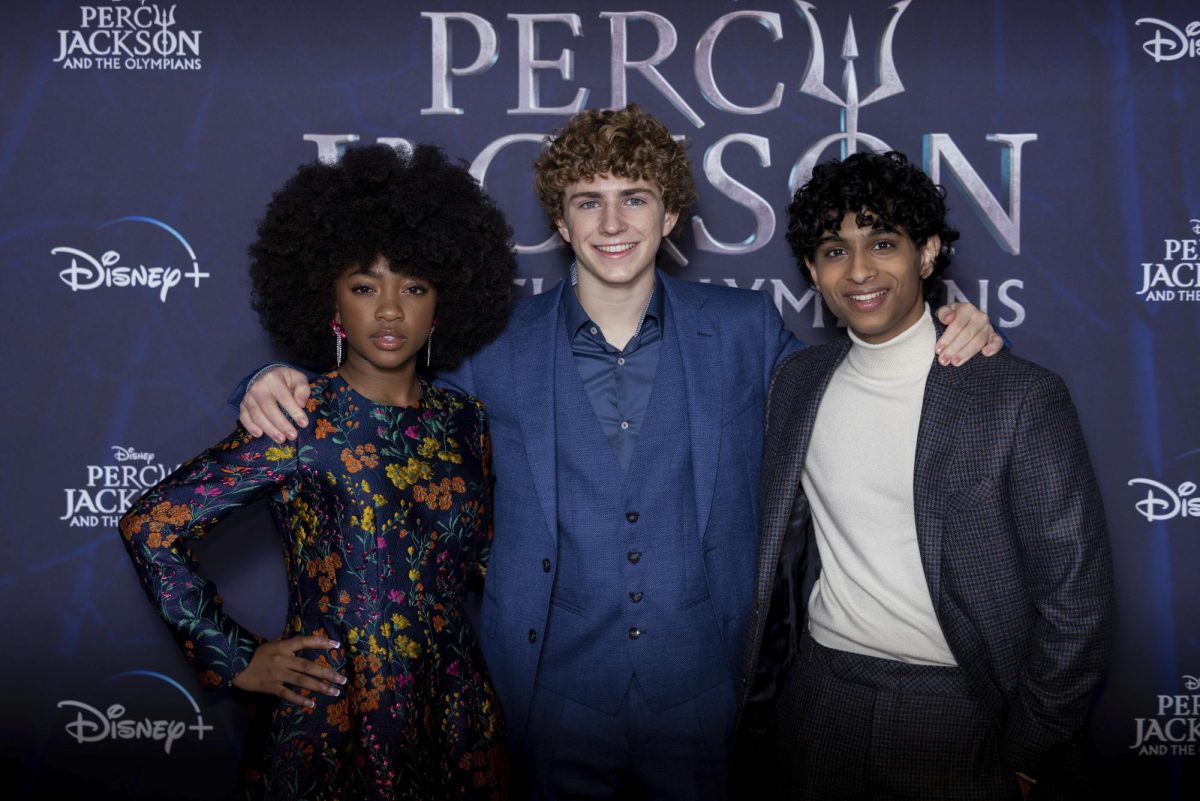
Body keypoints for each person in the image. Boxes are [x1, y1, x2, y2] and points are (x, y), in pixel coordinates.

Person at [238, 106, 1002, 800]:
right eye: (587, 201)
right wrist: (275, 379)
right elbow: (380, 390)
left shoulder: (743, 329)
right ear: (562, 224)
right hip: (545, 695)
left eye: (634, 198)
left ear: (669, 214)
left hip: (707, 699)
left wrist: (943, 328)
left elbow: (850, 387)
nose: (612, 222)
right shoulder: (492, 346)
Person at [119, 143, 516, 801]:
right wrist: (238, 656)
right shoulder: (303, 416)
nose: (389, 310)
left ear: (441, 303)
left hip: (455, 709)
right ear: (331, 304)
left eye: (413, 286)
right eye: (365, 287)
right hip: (333, 713)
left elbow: (486, 563)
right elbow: (150, 527)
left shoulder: (465, 420)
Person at [736, 151, 1114, 800]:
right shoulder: (796, 383)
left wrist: (1029, 752)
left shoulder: (1017, 395)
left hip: (959, 708)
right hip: (820, 698)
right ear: (811, 268)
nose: (859, 270)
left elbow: (1076, 596)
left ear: (929, 251)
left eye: (883, 243)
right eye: (833, 250)